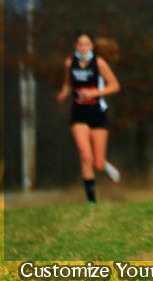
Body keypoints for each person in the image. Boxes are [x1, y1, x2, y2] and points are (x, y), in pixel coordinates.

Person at [56, 32, 122, 205]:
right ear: (76, 46)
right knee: (85, 156)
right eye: (80, 44)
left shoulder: (99, 63)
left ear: (92, 47)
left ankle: (104, 164)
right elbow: (67, 83)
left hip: (97, 112)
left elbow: (115, 86)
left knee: (97, 164)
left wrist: (94, 93)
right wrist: (64, 93)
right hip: (78, 113)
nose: (83, 47)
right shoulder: (69, 63)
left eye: (86, 44)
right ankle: (91, 201)